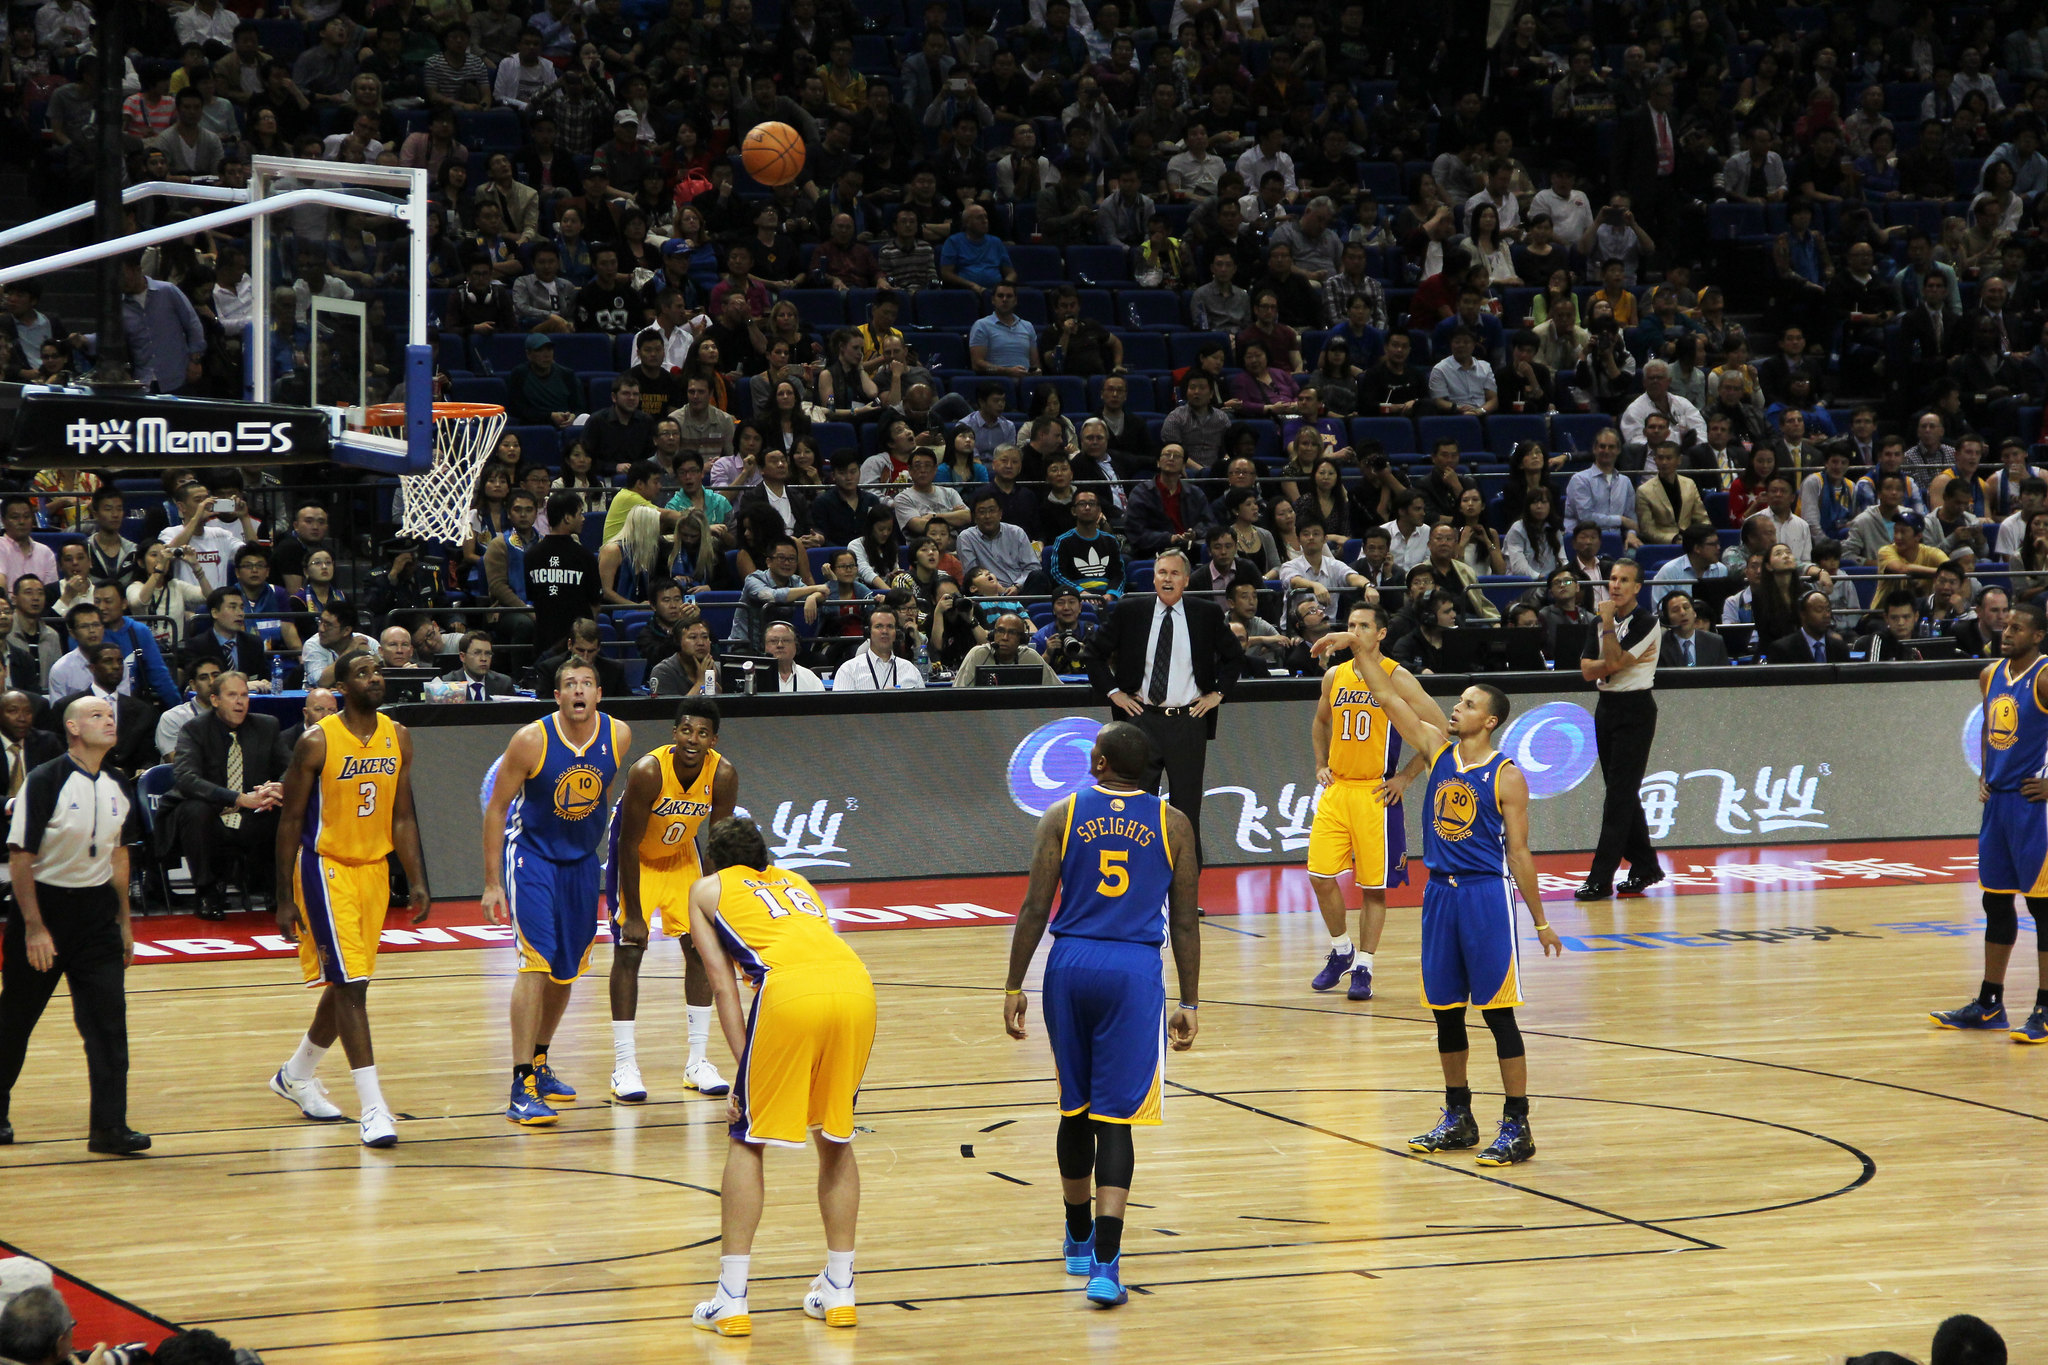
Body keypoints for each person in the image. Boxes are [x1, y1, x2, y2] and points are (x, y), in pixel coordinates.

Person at [1322, 665, 1562, 1165]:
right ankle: (1459, 1116)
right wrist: (1362, 649)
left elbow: (1519, 854)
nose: (1458, 707)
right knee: (1446, 1013)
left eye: (1470, 704)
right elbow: (1386, 693)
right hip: (1439, 896)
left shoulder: (1507, 775)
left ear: (1491, 720)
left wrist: (1540, 921)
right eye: (1459, 700)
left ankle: (1517, 1124)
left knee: (1498, 1016)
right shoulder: (1438, 751)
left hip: (1484, 898)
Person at [1001, 720, 1200, 1308]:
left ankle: (1076, 1237)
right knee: (1117, 1119)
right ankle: (1107, 1268)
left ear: (1099, 763)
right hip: (1133, 969)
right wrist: (1189, 999)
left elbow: (1036, 905)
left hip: (1070, 963)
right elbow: (1186, 920)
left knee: (1075, 1107)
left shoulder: (1062, 815)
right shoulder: (1174, 823)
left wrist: (1014, 982)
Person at [685, 815, 877, 1336]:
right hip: (856, 989)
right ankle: (840, 1290)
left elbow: (723, 987)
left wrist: (745, 1065)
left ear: (714, 860)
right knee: (835, 1136)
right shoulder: (796, 881)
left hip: (789, 995)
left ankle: (731, 1299)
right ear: (765, 856)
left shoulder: (705, 888)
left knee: (746, 1139)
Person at [266, 651, 429, 1149]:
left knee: (344, 984)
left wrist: (419, 878)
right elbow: (290, 821)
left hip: (374, 871)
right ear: (341, 685)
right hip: (325, 869)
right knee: (353, 985)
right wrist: (283, 898)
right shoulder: (317, 742)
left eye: (378, 669)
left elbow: (402, 816)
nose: (375, 677)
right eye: (363, 672)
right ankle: (374, 1108)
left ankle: (296, 1075)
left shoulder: (398, 736)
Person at [480, 658, 631, 1126]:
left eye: (587, 683)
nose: (579, 690)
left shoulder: (619, 735)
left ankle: (541, 1063)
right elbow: (496, 808)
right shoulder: (530, 740)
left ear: (599, 694)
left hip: (583, 863)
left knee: (566, 970)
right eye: (570, 684)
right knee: (536, 963)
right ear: (558, 696)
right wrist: (492, 882)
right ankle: (520, 1083)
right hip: (532, 858)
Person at [0, 696, 147, 1154]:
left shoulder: (119, 782)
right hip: (45, 909)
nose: (109, 720)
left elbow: (119, 856)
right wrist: (34, 927)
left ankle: (108, 1127)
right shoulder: (45, 781)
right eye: (97, 716)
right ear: (72, 727)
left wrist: (124, 923)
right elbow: (20, 856)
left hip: (97, 915)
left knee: (107, 1024)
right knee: (15, 1020)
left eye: (111, 715)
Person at [606, 698, 737, 1104]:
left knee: (701, 950)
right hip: (637, 860)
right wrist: (633, 914)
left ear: (713, 739)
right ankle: (624, 1065)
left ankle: (697, 1062)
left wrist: (717, 904)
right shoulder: (647, 771)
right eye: (685, 730)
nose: (692, 739)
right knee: (630, 951)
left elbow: (716, 842)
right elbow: (627, 843)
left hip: (682, 857)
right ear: (674, 732)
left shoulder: (723, 774)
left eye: (701, 733)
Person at [1306, 600, 1438, 1001]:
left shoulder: (1397, 677)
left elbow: (1436, 729)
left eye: (1364, 625)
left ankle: (1365, 964)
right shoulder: (1335, 675)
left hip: (1376, 793)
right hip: (1338, 790)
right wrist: (1320, 765)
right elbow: (1320, 721)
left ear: (1381, 634)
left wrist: (1405, 776)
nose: (1355, 631)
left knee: (1373, 888)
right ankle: (1341, 949)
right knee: (1319, 875)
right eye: (1350, 624)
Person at [1085, 548, 1242, 871]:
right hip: (1139, 724)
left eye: (1173, 573)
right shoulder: (1131, 611)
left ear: (1185, 580)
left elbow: (1234, 658)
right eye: (1161, 573)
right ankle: (1133, 883)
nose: (1166, 579)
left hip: (1188, 722)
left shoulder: (1205, 614)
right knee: (1133, 808)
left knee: (1185, 811)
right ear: (1153, 578)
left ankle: (1185, 892)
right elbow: (1093, 655)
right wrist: (1115, 693)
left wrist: (1217, 694)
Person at [1933, 600, 2048, 1039]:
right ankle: (1989, 1003)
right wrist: (1985, 772)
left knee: (2042, 908)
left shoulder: (2045, 675)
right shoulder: (1990, 674)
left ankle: (2045, 1008)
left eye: (2018, 627)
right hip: (1999, 804)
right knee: (1995, 903)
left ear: (2038, 636)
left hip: (2035, 808)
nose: (2007, 630)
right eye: (2006, 624)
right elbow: (1988, 730)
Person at [162, 670, 291, 920]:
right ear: (215, 700)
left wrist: (279, 787)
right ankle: (208, 893)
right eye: (232, 695)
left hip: (253, 810)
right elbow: (186, 779)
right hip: (212, 808)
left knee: (280, 808)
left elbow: (291, 766)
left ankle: (279, 891)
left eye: (244, 695)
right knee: (194, 811)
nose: (240, 701)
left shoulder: (267, 725)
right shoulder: (194, 729)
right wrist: (237, 798)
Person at [1576, 559, 1663, 901]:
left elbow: (1612, 663)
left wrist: (1609, 625)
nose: (1615, 585)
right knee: (1621, 793)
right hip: (1606, 709)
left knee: (1617, 799)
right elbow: (1585, 670)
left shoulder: (1647, 623)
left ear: (1638, 587)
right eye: (1612, 579)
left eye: (1624, 580)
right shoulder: (1596, 622)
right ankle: (1646, 866)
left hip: (1636, 709)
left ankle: (1601, 878)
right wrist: (1605, 657)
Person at [830, 604, 925, 690]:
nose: (884, 631)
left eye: (890, 626)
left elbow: (924, 708)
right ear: (868, 632)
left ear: (897, 633)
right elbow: (841, 708)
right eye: (879, 626)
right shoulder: (849, 670)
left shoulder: (910, 669)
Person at [1657, 590, 1730, 667]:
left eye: (1686, 607)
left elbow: (1723, 677)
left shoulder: (1715, 642)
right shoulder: (1659, 646)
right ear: (1667, 619)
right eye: (1675, 610)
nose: (1683, 613)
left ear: (1694, 613)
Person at [441, 630, 516, 699]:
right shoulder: (447, 684)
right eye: (477, 653)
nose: (484, 658)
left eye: (488, 653)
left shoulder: (503, 684)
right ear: (462, 657)